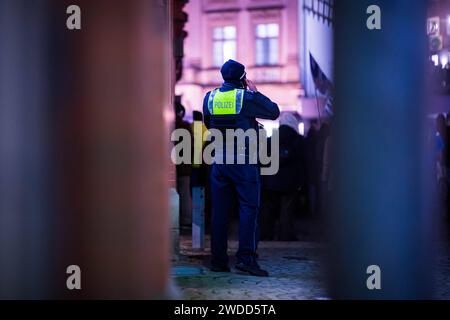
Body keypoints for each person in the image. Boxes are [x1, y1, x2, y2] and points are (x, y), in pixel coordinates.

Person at [203, 59, 279, 276]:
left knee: (219, 212)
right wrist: (255, 93)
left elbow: (209, 123)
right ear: (243, 78)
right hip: (243, 160)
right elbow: (273, 112)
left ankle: (218, 261)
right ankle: (246, 260)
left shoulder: (210, 97)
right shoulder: (245, 97)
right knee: (249, 209)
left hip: (219, 161)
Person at [260, 112, 306, 241]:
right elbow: (304, 163)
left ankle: (266, 235)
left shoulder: (271, 139)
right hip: (291, 182)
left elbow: (262, 159)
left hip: (271, 181)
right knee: (286, 211)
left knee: (268, 210)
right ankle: (284, 235)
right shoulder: (299, 141)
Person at [175, 102, 193, 228]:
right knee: (185, 193)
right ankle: (186, 219)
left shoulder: (172, 125)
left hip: (176, 165)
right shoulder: (185, 126)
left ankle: (182, 219)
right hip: (185, 165)